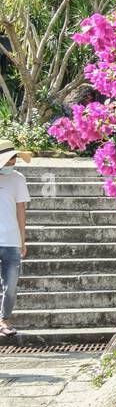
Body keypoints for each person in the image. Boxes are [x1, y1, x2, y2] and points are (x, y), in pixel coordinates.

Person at [0, 142, 32, 338]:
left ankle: (4, 320)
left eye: (14, 158)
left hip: (11, 241)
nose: (12, 162)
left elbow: (21, 211)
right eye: (9, 158)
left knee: (11, 285)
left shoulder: (18, 179)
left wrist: (23, 239)